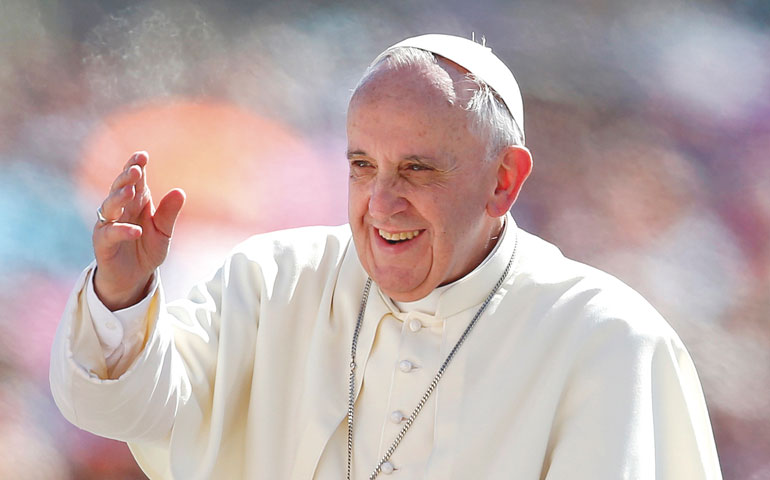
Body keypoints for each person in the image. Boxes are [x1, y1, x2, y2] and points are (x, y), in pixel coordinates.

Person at [50, 34, 722, 479]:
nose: (381, 202)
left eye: (418, 170)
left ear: (503, 181)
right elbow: (127, 411)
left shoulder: (605, 339)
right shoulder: (274, 282)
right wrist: (122, 298)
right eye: (362, 166)